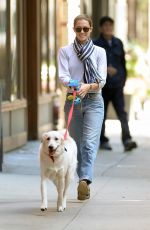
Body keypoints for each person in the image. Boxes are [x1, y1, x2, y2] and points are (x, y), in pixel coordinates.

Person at [58, 15, 107, 200]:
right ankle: (82, 179)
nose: (82, 32)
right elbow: (63, 76)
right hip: (73, 100)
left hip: (94, 100)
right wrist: (77, 85)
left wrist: (89, 86)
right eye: (78, 29)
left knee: (89, 143)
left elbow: (102, 79)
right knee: (77, 145)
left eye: (85, 29)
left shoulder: (99, 52)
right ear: (73, 29)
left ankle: (84, 180)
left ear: (91, 29)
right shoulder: (65, 51)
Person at [93, 16, 137, 151]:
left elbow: (123, 64)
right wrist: (105, 69)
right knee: (102, 114)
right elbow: (91, 65)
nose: (108, 28)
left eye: (110, 26)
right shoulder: (95, 44)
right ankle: (103, 141)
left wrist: (123, 81)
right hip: (103, 86)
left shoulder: (118, 43)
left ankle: (127, 139)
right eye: (105, 26)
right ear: (101, 28)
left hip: (117, 86)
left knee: (122, 113)